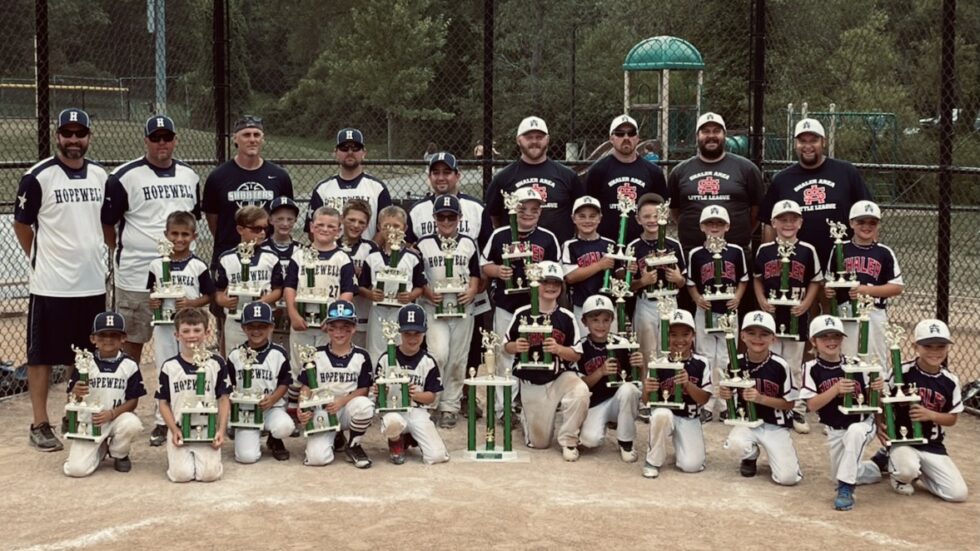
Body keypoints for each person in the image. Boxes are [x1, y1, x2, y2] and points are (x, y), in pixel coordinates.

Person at [15, 107, 108, 452]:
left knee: (83, 355)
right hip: (51, 284)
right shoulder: (38, 176)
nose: (73, 141)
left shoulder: (100, 175)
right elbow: (22, 226)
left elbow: (106, 224)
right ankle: (40, 423)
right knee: (41, 355)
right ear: (57, 137)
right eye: (66, 134)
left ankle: (75, 412)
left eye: (79, 134)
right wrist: (41, 260)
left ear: (88, 138)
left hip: (92, 283)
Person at [102, 114, 200, 363]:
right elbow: (106, 224)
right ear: (146, 140)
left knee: (186, 338)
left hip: (182, 277)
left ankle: (180, 395)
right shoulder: (124, 176)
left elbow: (194, 217)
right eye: (155, 138)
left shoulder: (189, 175)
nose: (161, 143)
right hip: (137, 275)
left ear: (175, 140)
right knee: (133, 339)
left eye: (166, 137)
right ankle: (127, 394)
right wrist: (123, 249)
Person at [481, 187, 561, 411]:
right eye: (522, 208)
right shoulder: (500, 235)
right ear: (512, 209)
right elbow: (484, 264)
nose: (528, 213)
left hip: (536, 308)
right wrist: (497, 270)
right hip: (507, 305)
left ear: (540, 212)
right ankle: (503, 408)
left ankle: (532, 405)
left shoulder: (547, 238)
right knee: (504, 353)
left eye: (534, 209)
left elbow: (557, 272)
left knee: (536, 353)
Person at [504, 261, 587, 461]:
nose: (550, 287)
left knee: (581, 390)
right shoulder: (522, 313)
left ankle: (568, 439)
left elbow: (576, 354)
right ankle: (527, 416)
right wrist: (517, 347)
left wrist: (559, 349)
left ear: (561, 287)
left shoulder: (566, 317)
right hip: (532, 382)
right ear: (535, 284)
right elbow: (506, 346)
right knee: (539, 444)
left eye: (555, 283)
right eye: (545, 282)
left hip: (559, 377)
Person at [799, 315, 883, 511]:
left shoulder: (855, 363)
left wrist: (876, 389)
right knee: (844, 469)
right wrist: (835, 389)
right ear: (813, 341)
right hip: (835, 429)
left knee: (854, 433)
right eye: (824, 337)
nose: (831, 341)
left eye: (836, 336)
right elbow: (811, 405)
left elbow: (873, 400)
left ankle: (846, 489)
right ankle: (880, 463)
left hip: (862, 423)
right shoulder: (810, 368)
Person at [760, 118, 872, 265]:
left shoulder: (846, 172)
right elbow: (769, 223)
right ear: (795, 144)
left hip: (842, 259)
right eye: (802, 141)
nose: (808, 146)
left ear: (823, 142)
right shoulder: (782, 179)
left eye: (813, 140)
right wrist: (769, 260)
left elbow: (869, 215)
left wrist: (870, 253)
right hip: (797, 260)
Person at [146, 211, 215, 447]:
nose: (179, 238)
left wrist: (191, 303)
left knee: (197, 370)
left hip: (193, 328)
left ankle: (198, 413)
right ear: (166, 235)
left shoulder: (198, 265)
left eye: (185, 234)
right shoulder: (156, 264)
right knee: (165, 369)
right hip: (166, 327)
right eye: (174, 233)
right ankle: (162, 420)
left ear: (194, 236)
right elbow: (152, 293)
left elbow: (208, 296)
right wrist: (153, 301)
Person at [753, 199, 822, 434]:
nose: (788, 224)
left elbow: (814, 281)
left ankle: (796, 408)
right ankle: (771, 406)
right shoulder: (764, 250)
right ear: (773, 222)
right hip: (772, 311)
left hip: (795, 312)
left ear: (801, 222)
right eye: (783, 219)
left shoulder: (807, 250)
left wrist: (806, 304)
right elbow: (757, 277)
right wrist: (761, 300)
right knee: (769, 359)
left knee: (793, 364)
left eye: (793, 219)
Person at [883, 319, 968, 502]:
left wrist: (931, 415)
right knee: (906, 470)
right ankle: (899, 472)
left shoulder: (950, 380)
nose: (935, 352)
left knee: (958, 494)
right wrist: (880, 425)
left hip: (933, 445)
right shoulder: (901, 371)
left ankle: (916, 472)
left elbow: (952, 419)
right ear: (915, 346)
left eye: (940, 347)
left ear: (947, 348)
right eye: (928, 346)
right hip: (903, 441)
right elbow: (884, 402)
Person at [415, 195, 481, 428]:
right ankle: (432, 401)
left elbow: (476, 273)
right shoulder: (423, 244)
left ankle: (450, 406)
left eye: (450, 216)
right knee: (438, 354)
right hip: (434, 307)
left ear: (459, 218)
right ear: (434, 218)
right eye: (441, 216)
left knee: (457, 359)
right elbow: (417, 275)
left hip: (462, 307)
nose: (446, 221)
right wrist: (426, 291)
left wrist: (472, 290)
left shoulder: (468, 242)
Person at [720, 311, 802, 486]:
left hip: (775, 425)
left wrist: (760, 398)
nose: (757, 338)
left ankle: (783, 460)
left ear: (773, 338)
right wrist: (726, 395)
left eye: (764, 334)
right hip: (748, 423)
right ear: (742, 336)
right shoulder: (736, 363)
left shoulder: (780, 365)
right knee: (735, 444)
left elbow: (790, 403)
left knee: (787, 479)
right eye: (751, 333)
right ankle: (750, 456)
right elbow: (731, 393)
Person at [667, 112, 765, 255]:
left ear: (724, 135)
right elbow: (675, 211)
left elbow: (757, 210)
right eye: (705, 131)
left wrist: (738, 232)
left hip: (735, 252)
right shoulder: (679, 171)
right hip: (692, 252)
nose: (711, 136)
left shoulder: (747, 168)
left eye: (716, 131)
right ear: (697, 136)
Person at [203, 115, 293, 267]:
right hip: (229, 254)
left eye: (256, 134)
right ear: (235, 139)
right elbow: (213, 221)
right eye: (246, 135)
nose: (252, 139)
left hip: (267, 257)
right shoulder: (218, 177)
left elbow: (285, 215)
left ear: (263, 139)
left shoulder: (279, 175)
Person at [63, 312, 145, 477]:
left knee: (132, 424)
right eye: (102, 335)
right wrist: (76, 393)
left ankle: (118, 453)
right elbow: (71, 399)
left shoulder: (129, 365)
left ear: (123, 338)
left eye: (114, 335)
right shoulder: (84, 363)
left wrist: (112, 413)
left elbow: (133, 401)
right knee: (76, 470)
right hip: (89, 421)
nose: (108, 339)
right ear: (93, 339)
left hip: (116, 417)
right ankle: (100, 449)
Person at [686, 206, 748, 421]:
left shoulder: (736, 251)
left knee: (725, 356)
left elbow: (743, 280)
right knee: (704, 355)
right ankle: (706, 402)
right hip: (705, 310)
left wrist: (738, 297)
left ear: (727, 226)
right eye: (710, 223)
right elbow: (691, 282)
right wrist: (696, 298)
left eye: (719, 224)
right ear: (702, 226)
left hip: (729, 311)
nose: (715, 227)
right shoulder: (696, 253)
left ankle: (724, 402)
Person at [156, 308, 232, 483]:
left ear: (207, 332)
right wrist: (174, 430)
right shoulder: (170, 366)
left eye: (197, 330)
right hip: (181, 428)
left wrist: (220, 430)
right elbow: (163, 403)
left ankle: (206, 457)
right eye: (186, 331)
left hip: (208, 428)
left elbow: (223, 398)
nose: (192, 335)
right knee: (181, 476)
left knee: (209, 475)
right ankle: (179, 456)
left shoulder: (217, 363)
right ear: (177, 335)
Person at [297, 300, 375, 468]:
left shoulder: (362, 356)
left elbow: (363, 389)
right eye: (334, 328)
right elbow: (306, 386)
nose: (339, 333)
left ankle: (354, 444)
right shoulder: (315, 354)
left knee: (365, 406)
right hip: (322, 410)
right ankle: (336, 436)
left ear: (353, 328)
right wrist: (301, 407)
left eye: (344, 327)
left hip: (347, 406)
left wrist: (341, 402)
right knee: (318, 459)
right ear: (327, 328)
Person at [485, 116, 585, 244]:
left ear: (547, 139)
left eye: (539, 137)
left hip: (558, 254)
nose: (534, 141)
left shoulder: (567, 176)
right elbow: (493, 216)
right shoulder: (503, 177)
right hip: (515, 253)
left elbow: (580, 212)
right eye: (528, 137)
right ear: (518, 140)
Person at [824, 200, 903, 361]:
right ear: (851, 223)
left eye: (872, 222)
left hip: (874, 311)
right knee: (847, 355)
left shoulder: (884, 252)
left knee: (875, 357)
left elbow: (896, 287)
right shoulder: (839, 248)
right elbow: (829, 280)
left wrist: (865, 290)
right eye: (861, 222)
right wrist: (829, 290)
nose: (866, 226)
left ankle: (877, 386)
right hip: (846, 311)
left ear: (878, 225)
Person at [571, 295, 643, 462]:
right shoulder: (580, 348)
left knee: (629, 390)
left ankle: (626, 441)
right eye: (595, 320)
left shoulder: (623, 343)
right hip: (595, 404)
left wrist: (641, 365)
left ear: (612, 320)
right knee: (590, 441)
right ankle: (604, 424)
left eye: (605, 320)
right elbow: (579, 386)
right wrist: (600, 372)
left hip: (619, 400)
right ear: (584, 322)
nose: (601, 325)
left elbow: (637, 381)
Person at [375, 304, 449, 465]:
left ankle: (411, 437)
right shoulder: (386, 358)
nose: (412, 338)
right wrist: (381, 392)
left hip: (417, 411)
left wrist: (416, 395)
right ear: (399, 332)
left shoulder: (428, 361)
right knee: (392, 421)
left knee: (436, 456)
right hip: (393, 411)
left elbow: (431, 397)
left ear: (424, 333)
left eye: (417, 333)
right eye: (407, 333)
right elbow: (377, 395)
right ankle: (396, 441)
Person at [643, 309, 712, 479]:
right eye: (673, 334)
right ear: (666, 336)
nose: (680, 340)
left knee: (691, 466)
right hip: (665, 415)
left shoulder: (701, 363)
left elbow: (704, 399)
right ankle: (653, 459)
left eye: (685, 334)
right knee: (661, 415)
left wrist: (688, 384)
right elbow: (646, 402)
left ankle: (683, 447)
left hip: (689, 417)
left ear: (693, 335)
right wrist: (647, 389)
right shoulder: (658, 363)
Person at [283, 206, 358, 353]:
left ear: (338, 231)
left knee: (327, 363)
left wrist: (334, 318)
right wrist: (293, 314)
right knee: (301, 367)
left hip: (329, 324)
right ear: (311, 227)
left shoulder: (342, 258)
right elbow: (289, 287)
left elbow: (347, 291)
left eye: (331, 226)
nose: (325, 229)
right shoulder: (299, 256)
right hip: (302, 320)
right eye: (320, 225)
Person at [584, 114, 668, 243]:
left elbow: (662, 209)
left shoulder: (653, 171)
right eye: (620, 134)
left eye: (631, 133)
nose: (626, 138)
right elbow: (589, 207)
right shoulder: (598, 170)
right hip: (607, 243)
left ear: (638, 138)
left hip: (643, 244)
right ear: (611, 139)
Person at [359, 206, 426, 367]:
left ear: (405, 229)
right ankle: (377, 386)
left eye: (396, 226)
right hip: (379, 311)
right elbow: (361, 286)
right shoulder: (372, 258)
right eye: (386, 226)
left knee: (400, 349)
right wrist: (370, 294)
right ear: (379, 229)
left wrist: (411, 296)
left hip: (402, 312)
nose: (392, 231)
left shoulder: (412, 258)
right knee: (376, 351)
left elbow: (420, 286)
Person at [226, 302, 292, 463]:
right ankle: (242, 431)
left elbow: (285, 381)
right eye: (251, 326)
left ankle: (273, 438)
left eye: (262, 326)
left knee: (285, 427)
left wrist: (273, 399)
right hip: (245, 411)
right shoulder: (235, 355)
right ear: (243, 328)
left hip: (270, 407)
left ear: (271, 327)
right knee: (246, 458)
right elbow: (229, 386)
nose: (256, 331)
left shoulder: (278, 352)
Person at [214, 206, 283, 352]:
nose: (262, 233)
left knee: (262, 361)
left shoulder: (271, 257)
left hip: (262, 321)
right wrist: (223, 301)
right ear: (240, 230)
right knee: (234, 360)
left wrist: (262, 301)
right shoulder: (226, 258)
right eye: (256, 229)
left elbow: (278, 290)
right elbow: (219, 292)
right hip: (235, 320)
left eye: (265, 228)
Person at [628, 193, 687, 364]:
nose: (652, 220)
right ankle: (648, 388)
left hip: (670, 299)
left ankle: (668, 387)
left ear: (665, 216)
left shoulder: (674, 245)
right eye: (646, 216)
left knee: (669, 348)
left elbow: (684, 281)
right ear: (638, 219)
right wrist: (642, 282)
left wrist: (677, 278)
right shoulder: (633, 247)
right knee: (646, 350)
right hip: (646, 301)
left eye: (656, 215)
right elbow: (626, 286)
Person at [306, 128, 392, 241]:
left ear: (364, 153)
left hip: (368, 256)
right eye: (344, 148)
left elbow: (386, 228)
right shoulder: (322, 189)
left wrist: (370, 251)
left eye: (355, 148)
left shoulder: (377, 188)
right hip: (331, 256)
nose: (350, 152)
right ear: (336, 152)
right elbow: (312, 231)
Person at [406, 152, 492, 249]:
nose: (441, 178)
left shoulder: (476, 208)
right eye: (436, 173)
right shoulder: (416, 211)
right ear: (429, 177)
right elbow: (407, 248)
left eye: (447, 172)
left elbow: (487, 253)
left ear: (457, 176)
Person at [561, 196, 616, 336]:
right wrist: (599, 265)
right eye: (582, 216)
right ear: (573, 218)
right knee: (584, 347)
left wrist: (629, 269)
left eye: (592, 216)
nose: (587, 220)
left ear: (600, 218)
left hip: (608, 305)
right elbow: (571, 277)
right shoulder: (569, 245)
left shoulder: (610, 244)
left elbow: (619, 274)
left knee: (610, 346)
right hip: (582, 305)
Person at [339, 199, 379, 348]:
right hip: (336, 312)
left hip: (362, 313)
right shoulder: (330, 245)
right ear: (342, 219)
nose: (356, 225)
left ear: (367, 225)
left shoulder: (371, 248)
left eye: (361, 222)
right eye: (351, 220)